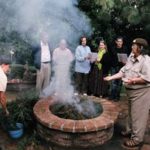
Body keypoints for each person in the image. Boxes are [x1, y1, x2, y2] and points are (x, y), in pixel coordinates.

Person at [104, 38, 150, 149]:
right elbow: (124, 70)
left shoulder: (146, 60)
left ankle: (137, 139)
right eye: (133, 45)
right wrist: (111, 77)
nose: (132, 47)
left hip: (141, 93)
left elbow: (148, 78)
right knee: (131, 113)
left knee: (138, 116)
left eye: (134, 46)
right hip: (130, 92)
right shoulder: (131, 56)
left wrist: (133, 81)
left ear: (141, 48)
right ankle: (129, 131)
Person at [109, 36, 129, 101]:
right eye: (118, 41)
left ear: (122, 42)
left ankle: (117, 96)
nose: (120, 43)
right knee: (113, 82)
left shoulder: (125, 48)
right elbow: (114, 55)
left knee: (119, 83)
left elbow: (126, 57)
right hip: (114, 67)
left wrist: (124, 61)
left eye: (121, 41)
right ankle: (112, 95)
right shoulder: (113, 48)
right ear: (116, 42)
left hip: (121, 67)